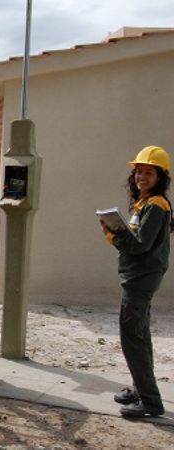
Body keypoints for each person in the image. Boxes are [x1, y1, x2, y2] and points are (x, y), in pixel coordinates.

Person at [101, 145, 171, 418]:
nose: (141, 177)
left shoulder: (156, 205)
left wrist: (112, 235)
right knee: (140, 336)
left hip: (141, 280)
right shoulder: (145, 203)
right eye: (139, 172)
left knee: (133, 339)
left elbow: (141, 244)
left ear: (160, 177)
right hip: (136, 278)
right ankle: (140, 388)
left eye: (148, 173)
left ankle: (151, 403)